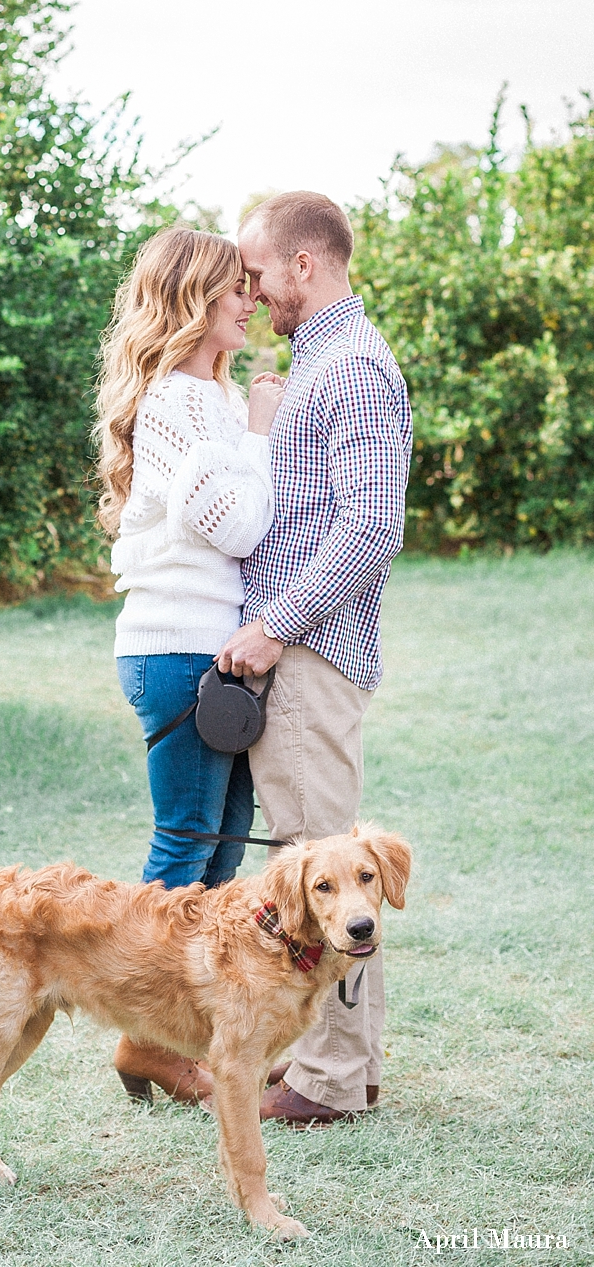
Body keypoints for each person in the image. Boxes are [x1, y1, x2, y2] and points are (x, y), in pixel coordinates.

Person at [216, 190, 412, 1126]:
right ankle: (349, 1070)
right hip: (300, 654)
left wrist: (274, 627)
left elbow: (371, 527)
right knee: (322, 868)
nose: (249, 291)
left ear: (304, 263)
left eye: (256, 272)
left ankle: (329, 1084)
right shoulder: (320, 364)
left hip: (310, 657)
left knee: (324, 882)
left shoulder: (354, 369)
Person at [95, 224, 285, 1103]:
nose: (251, 300)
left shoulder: (199, 396)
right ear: (193, 299)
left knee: (222, 848)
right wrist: (257, 427)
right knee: (186, 850)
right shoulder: (178, 400)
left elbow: (243, 515)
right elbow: (239, 525)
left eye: (251, 286)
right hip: (175, 648)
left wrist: (243, 428)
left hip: (207, 649)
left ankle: (187, 1033)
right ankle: (144, 1040)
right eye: (235, 288)